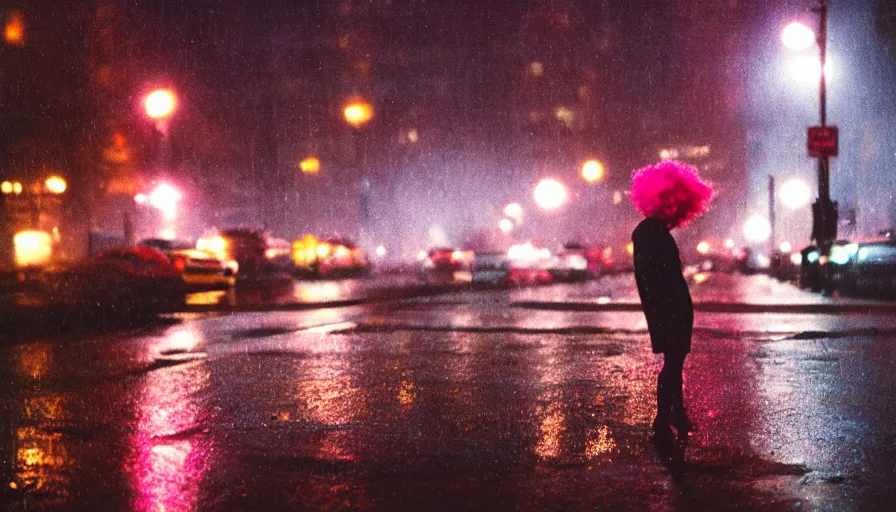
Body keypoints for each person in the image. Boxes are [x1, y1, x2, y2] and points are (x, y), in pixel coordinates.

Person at [630, 161, 712, 439]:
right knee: (673, 363)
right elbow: (652, 278)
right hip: (668, 308)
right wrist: (661, 311)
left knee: (675, 363)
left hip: (670, 306)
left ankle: (676, 413)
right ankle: (664, 417)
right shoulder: (650, 232)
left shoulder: (653, 231)